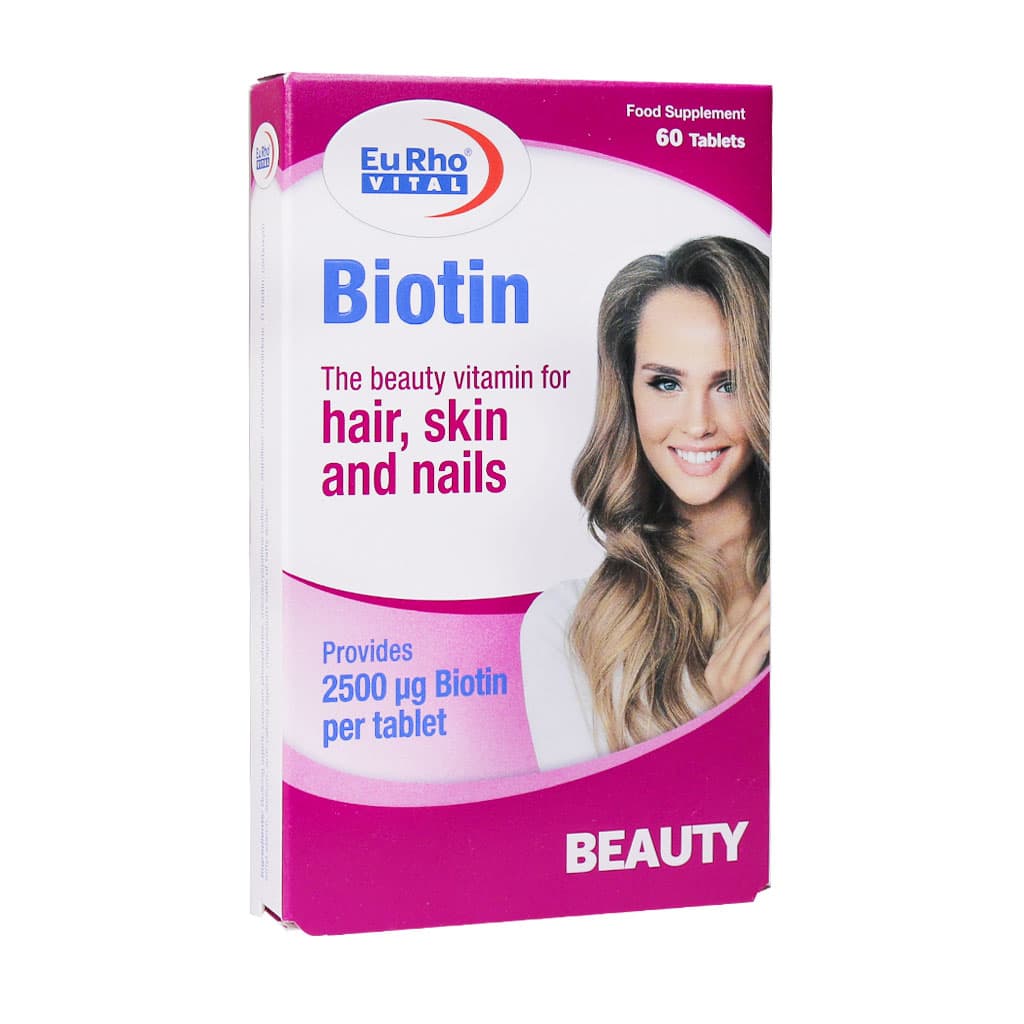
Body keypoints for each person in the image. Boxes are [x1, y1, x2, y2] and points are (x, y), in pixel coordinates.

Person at [520, 236, 770, 770]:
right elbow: (590, 818)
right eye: (666, 383)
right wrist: (729, 715)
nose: (698, 423)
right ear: (628, 392)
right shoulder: (571, 626)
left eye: (729, 384)